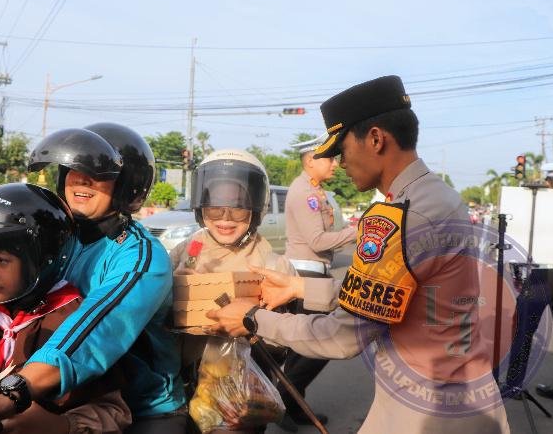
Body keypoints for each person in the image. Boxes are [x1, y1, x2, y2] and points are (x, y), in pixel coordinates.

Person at [207, 76, 510, 433]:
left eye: (343, 150)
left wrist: (252, 319)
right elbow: (394, 296)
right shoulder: (435, 196)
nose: (341, 164)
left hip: (427, 412)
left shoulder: (402, 216)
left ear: (376, 139)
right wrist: (298, 287)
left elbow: (344, 335)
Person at [0, 125, 185, 434]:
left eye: (98, 173)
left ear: (127, 185)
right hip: (58, 396)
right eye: (74, 170)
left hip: (138, 407)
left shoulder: (140, 256)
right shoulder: (53, 235)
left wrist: (11, 391)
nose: (81, 180)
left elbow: (98, 329)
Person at [0, 183, 131, 433]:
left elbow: (114, 412)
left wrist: (58, 424)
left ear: (42, 259)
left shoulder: (73, 321)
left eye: (2, 260)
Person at [169, 149, 293, 433]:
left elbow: (286, 340)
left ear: (255, 210)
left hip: (241, 393)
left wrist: (254, 321)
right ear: (200, 209)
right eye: (214, 208)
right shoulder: (186, 251)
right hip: (182, 384)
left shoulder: (272, 266)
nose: (225, 219)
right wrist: (173, 290)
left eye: (237, 208)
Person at [279, 137, 357, 431]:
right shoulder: (304, 193)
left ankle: (291, 404)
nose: (335, 164)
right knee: (322, 342)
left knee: (303, 346)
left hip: (313, 272)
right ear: (310, 160)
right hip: (306, 274)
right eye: (329, 158)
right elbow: (317, 241)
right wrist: (358, 231)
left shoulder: (315, 190)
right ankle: (285, 397)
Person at [504, 163, 553, 405]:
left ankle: (514, 385)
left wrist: (517, 274)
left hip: (539, 275)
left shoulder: (534, 212)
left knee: (524, 331)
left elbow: (516, 246)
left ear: (548, 184)